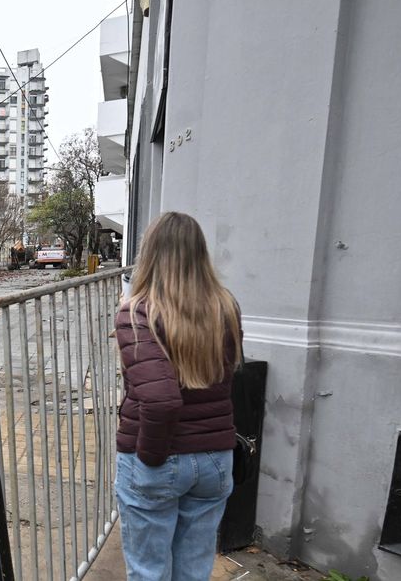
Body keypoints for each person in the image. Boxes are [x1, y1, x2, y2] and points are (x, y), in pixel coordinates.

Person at [114, 212, 243, 580]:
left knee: (148, 571)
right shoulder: (225, 308)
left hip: (161, 456)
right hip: (215, 459)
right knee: (193, 571)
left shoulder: (136, 313)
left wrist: (150, 461)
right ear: (199, 255)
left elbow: (161, 400)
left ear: (150, 255)